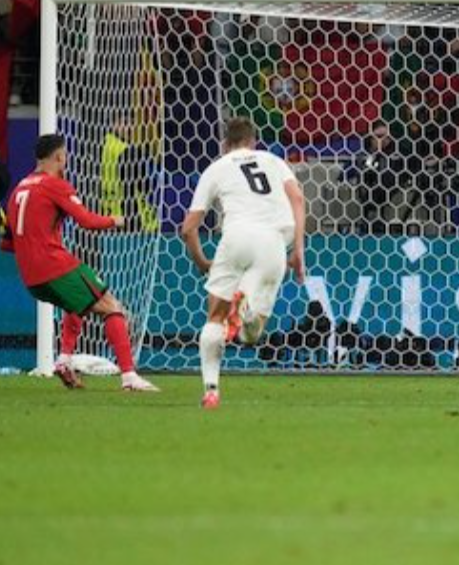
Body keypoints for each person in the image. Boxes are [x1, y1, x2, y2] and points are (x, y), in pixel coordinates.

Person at [1, 134, 157, 392]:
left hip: (31, 278)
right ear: (59, 157)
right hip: (53, 265)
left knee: (79, 303)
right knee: (111, 306)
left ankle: (63, 360)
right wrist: (116, 220)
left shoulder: (19, 190)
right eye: (65, 154)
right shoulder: (55, 185)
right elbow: (87, 221)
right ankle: (130, 377)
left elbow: (8, 244)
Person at [181, 117, 306, 409]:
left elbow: (188, 228)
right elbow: (298, 198)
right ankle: (246, 311)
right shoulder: (273, 160)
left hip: (235, 238)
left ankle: (211, 390)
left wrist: (201, 261)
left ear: (225, 145)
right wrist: (298, 249)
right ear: (253, 142)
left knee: (215, 319)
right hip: (273, 243)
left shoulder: (217, 167)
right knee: (252, 336)